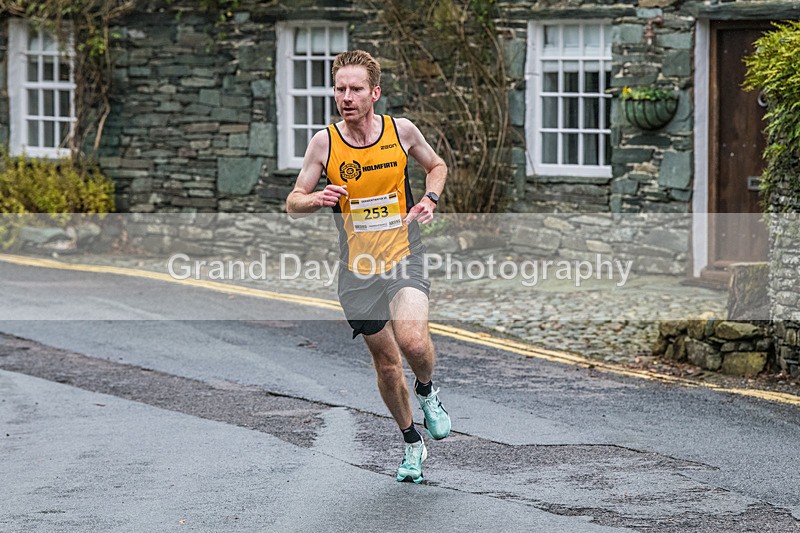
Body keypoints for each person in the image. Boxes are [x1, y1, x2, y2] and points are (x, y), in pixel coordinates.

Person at [286, 50, 450, 484]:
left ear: (374, 93)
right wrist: (315, 199)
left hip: (403, 254)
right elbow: (293, 201)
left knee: (413, 342)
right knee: (387, 364)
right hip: (357, 271)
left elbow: (436, 166)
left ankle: (428, 391)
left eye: (356, 89)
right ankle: (411, 442)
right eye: (340, 89)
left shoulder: (401, 131)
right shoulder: (324, 143)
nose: (346, 97)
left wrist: (430, 199)